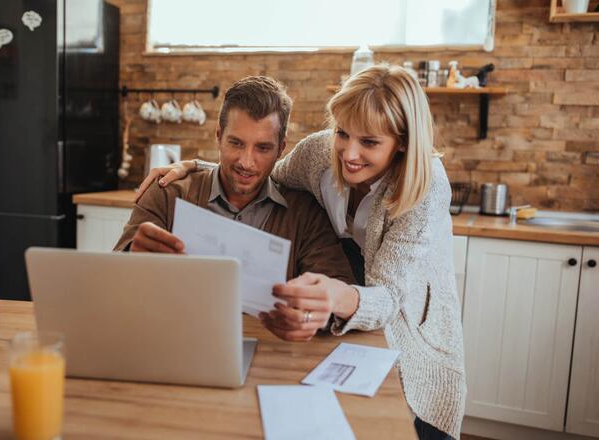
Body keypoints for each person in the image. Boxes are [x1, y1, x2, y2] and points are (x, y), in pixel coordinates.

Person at [136, 65, 466, 439]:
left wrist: (337, 298)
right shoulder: (319, 154)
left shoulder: (425, 188)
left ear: (403, 142)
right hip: (347, 287)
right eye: (343, 133)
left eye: (370, 143)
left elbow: (389, 296)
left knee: (413, 421)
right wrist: (195, 166)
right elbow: (261, 171)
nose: (349, 154)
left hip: (409, 312)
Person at [114, 76, 356, 338]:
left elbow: (338, 288)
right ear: (218, 136)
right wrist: (133, 257)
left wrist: (313, 315)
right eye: (236, 143)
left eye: (263, 148)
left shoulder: (304, 212)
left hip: (271, 351)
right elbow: (114, 277)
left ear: (281, 149)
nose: (246, 162)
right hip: (171, 338)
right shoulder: (167, 192)